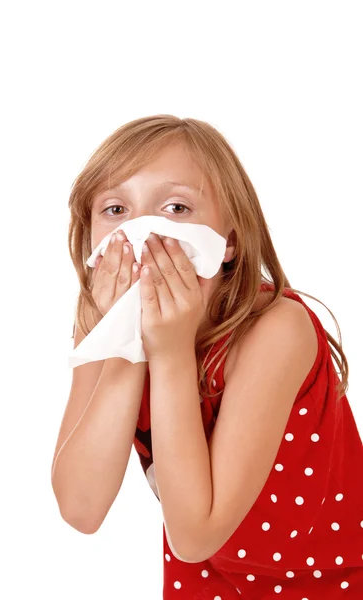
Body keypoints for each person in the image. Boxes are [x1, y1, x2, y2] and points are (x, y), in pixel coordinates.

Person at [51, 115, 363, 599]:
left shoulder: (276, 330)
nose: (142, 232)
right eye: (116, 208)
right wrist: (127, 347)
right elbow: (81, 507)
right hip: (206, 583)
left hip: (328, 583)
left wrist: (171, 353)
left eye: (175, 207)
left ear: (230, 240)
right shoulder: (104, 323)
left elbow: (196, 536)